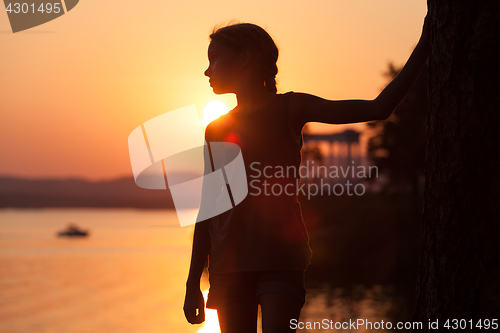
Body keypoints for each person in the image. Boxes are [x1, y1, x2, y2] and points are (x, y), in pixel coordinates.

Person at [184, 16, 430, 333]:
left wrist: (426, 44)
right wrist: (193, 283)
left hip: (281, 259)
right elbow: (209, 207)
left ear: (245, 58)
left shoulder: (290, 108)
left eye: (214, 59)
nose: (208, 69)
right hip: (227, 268)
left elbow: (377, 108)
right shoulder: (215, 129)